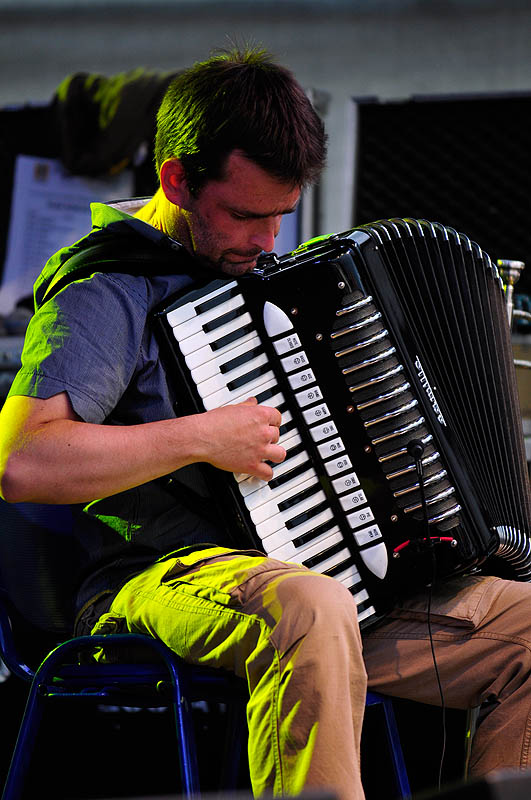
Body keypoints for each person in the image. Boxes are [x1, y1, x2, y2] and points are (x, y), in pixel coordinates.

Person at [1, 46, 531, 800]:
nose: (267, 242)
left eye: (280, 216)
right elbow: (23, 462)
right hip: (163, 575)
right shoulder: (106, 291)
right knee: (312, 606)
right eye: (245, 215)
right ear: (176, 179)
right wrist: (203, 437)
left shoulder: (273, 282)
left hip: (330, 584)